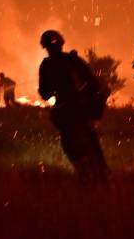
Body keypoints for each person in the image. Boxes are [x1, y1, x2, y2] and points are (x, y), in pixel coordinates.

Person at [38, 30, 109, 183]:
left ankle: (87, 174)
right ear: (61, 43)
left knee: (71, 145)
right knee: (91, 142)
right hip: (84, 110)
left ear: (45, 47)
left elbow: (45, 93)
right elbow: (94, 84)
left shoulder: (47, 65)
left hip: (67, 112)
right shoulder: (74, 60)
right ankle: (101, 175)